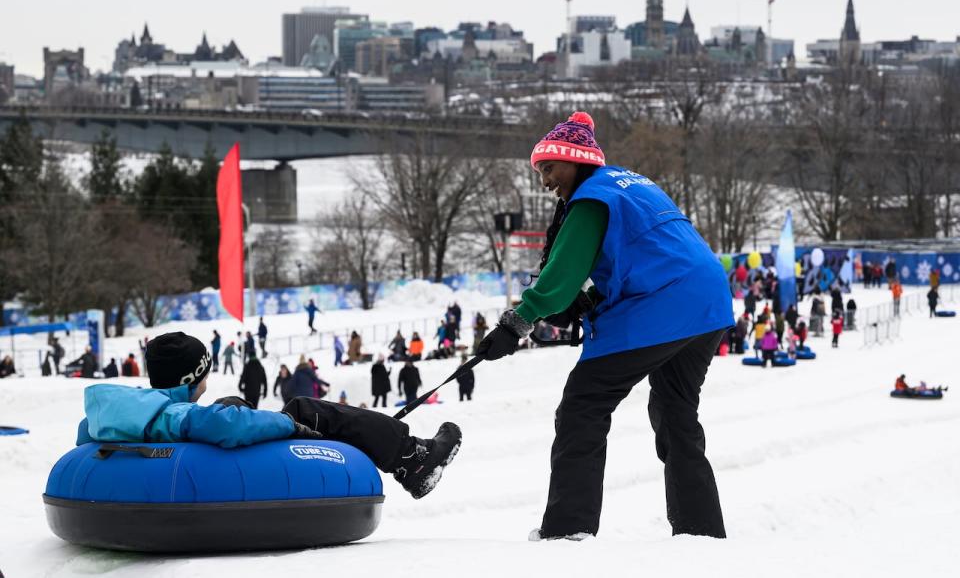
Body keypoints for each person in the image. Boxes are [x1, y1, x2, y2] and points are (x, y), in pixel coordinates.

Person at [477, 112, 731, 541]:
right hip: (708, 303)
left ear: (575, 160)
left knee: (582, 407)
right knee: (675, 412)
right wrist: (594, 299)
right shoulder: (632, 184)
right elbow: (650, 255)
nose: (546, 181)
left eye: (549, 168)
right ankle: (701, 531)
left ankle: (569, 529)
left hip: (663, 307)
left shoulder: (593, 198)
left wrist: (516, 322)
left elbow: (559, 277)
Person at [74, 332, 461, 500]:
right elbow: (222, 425)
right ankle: (413, 458)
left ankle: (409, 454)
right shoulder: (177, 416)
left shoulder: (128, 411)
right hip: (218, 469)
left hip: (168, 464)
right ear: (194, 377)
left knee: (231, 401)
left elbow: (85, 438)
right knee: (304, 408)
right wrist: (289, 424)